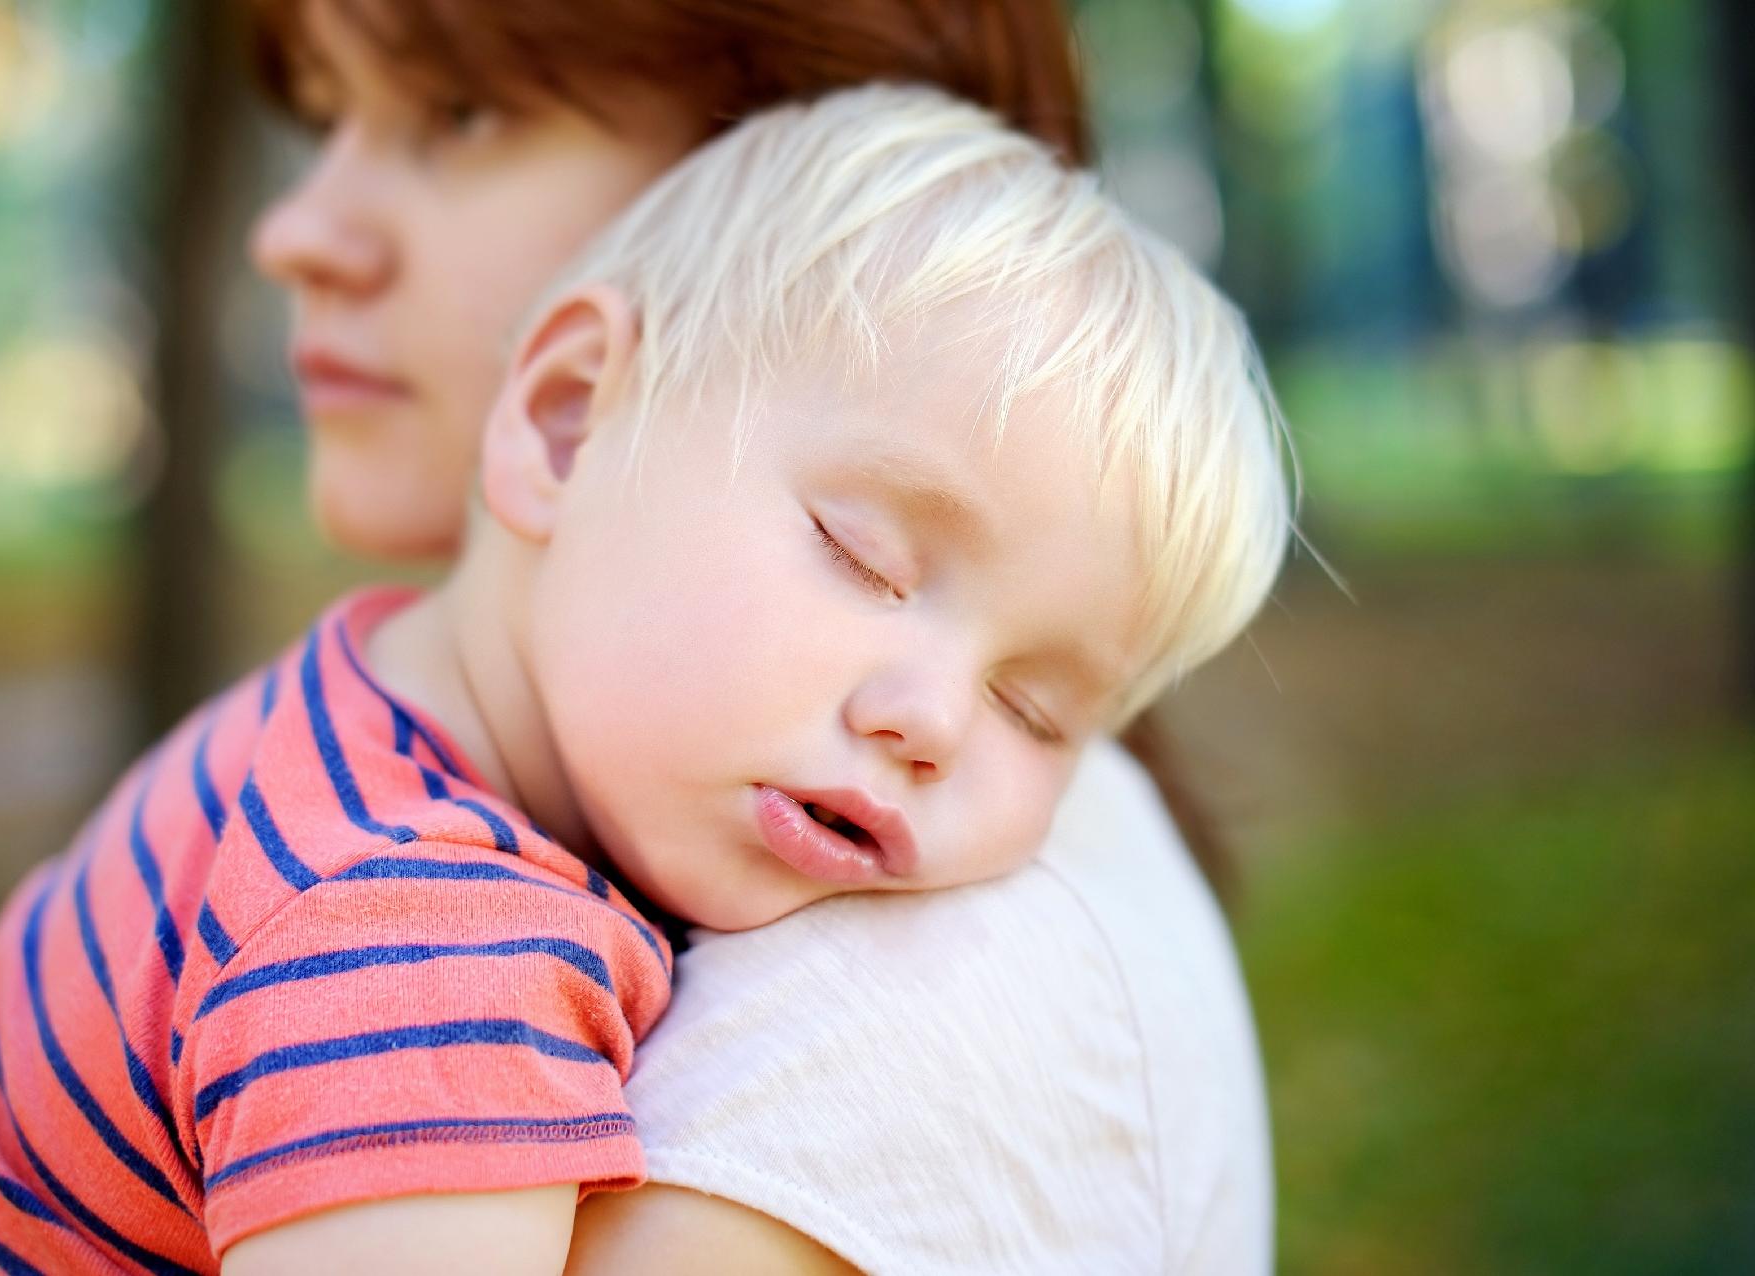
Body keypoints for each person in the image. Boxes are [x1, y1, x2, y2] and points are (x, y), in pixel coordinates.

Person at [0, 80, 1290, 1275]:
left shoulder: (338, 716)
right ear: (565, 421)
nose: (929, 720)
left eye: (1038, 710)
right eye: (864, 558)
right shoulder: (419, 946)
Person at [251, 3, 1276, 1273]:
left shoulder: (897, 1015)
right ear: (566, 412)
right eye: (324, 112)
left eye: (461, 113)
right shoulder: (379, 852)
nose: (294, 231)